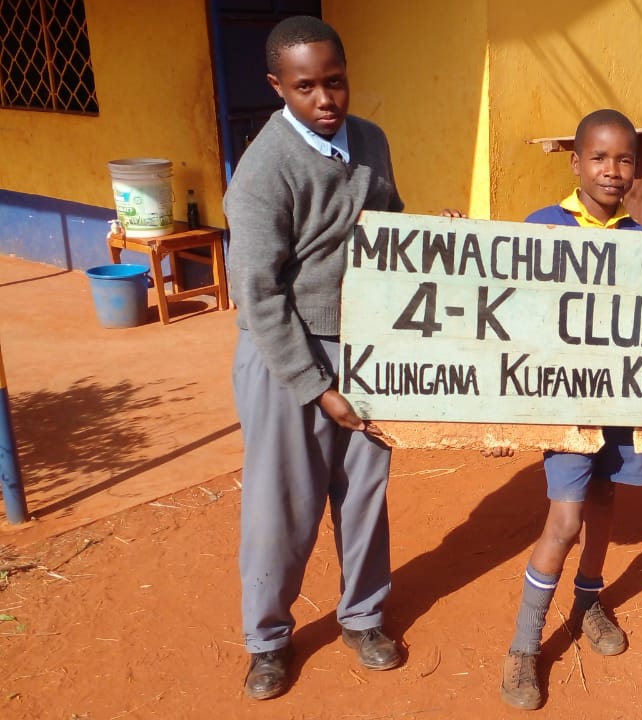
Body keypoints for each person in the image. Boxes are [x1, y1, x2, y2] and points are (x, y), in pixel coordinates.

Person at [225, 15, 407, 700]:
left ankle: (362, 618)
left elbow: (390, 226)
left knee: (364, 496)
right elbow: (258, 296)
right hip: (285, 353)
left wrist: (433, 242)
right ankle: (268, 641)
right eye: (306, 87)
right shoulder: (264, 171)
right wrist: (315, 383)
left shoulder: (371, 142)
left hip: (365, 348)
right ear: (278, 87)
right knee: (282, 508)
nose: (325, 99)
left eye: (335, 82)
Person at [498, 109, 642, 711]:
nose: (614, 170)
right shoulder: (541, 228)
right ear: (576, 162)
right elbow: (510, 308)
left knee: (606, 502)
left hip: (625, 402)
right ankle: (523, 647)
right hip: (568, 407)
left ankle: (588, 598)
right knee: (564, 519)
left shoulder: (641, 240)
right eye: (601, 158)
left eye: (626, 159)